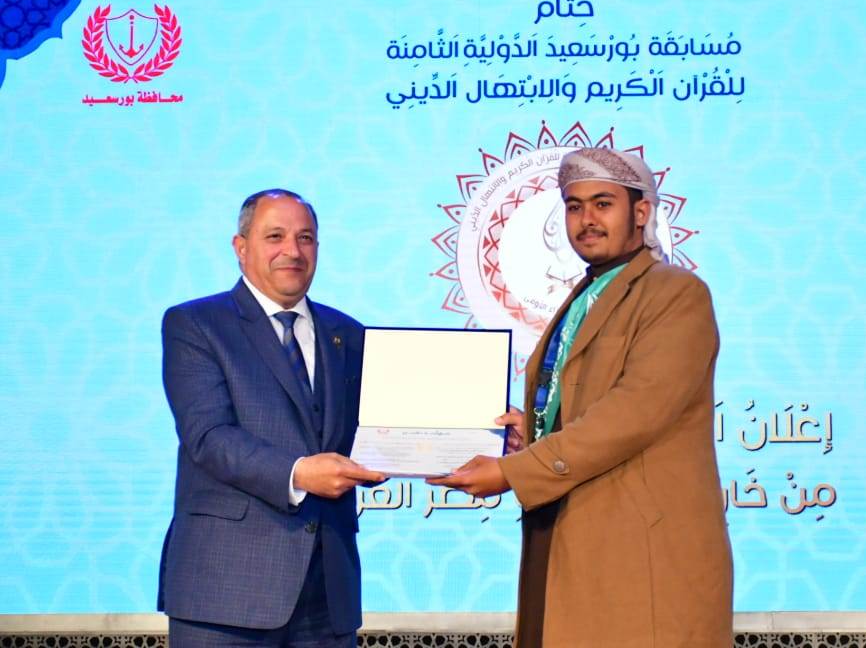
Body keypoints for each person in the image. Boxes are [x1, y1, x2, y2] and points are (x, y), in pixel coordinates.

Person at [430, 148, 733, 647]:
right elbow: (583, 402)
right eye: (574, 206)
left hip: (639, 555)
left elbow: (633, 412)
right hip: (569, 536)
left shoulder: (675, 293)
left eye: (603, 204)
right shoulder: (584, 296)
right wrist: (534, 430)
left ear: (642, 212)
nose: (586, 219)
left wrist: (514, 471)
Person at [158, 189, 384, 647]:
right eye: (275, 236)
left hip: (327, 594)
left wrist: (482, 437)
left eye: (306, 238)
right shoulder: (196, 324)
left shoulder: (348, 333)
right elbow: (209, 437)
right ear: (241, 247)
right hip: (225, 592)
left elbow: (378, 429)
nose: (293, 251)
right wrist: (299, 473)